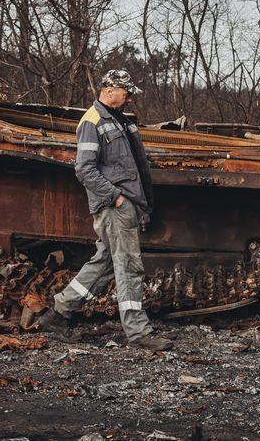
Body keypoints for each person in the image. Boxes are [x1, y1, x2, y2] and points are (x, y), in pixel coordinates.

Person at [36, 70, 172, 350]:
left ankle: (59, 312)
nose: (130, 97)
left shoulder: (121, 120)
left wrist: (140, 203)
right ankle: (138, 332)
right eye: (126, 91)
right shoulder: (93, 121)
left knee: (106, 263)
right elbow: (84, 169)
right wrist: (116, 198)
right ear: (109, 90)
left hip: (127, 204)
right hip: (115, 206)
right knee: (129, 267)